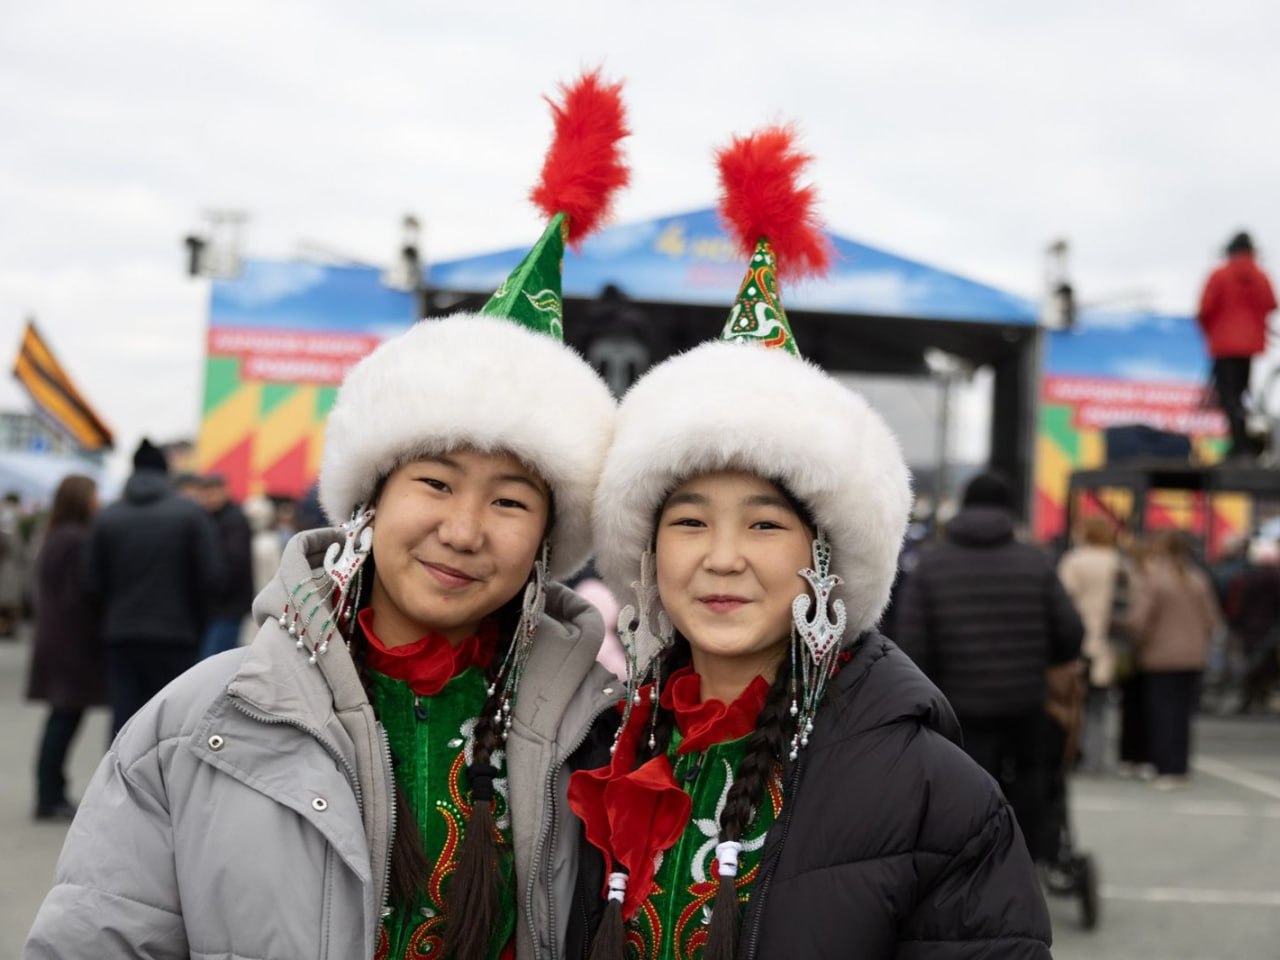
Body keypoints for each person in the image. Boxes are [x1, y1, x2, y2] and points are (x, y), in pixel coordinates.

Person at [26, 69, 628, 960]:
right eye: (435, 483)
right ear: (369, 498)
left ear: (547, 538)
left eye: (509, 501)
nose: (465, 530)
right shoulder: (199, 723)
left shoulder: (602, 742)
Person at [566, 128, 1050, 960]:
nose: (722, 557)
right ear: (648, 553)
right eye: (690, 522)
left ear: (822, 556)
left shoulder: (935, 796)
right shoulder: (594, 751)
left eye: (764, 524)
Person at [896, 470, 1084, 863]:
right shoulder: (1035, 563)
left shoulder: (932, 565)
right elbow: (1070, 632)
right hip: (1025, 700)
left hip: (959, 706)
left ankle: (973, 861)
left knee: (965, 786)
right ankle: (1029, 857)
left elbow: (912, 645)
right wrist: (1046, 657)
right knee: (1032, 775)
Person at [84, 438, 222, 735]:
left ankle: (119, 767)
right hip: (176, 634)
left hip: (122, 633)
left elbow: (92, 582)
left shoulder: (108, 517)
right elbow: (212, 576)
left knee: (124, 720)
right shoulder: (189, 514)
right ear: (165, 471)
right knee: (172, 722)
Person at [24, 475, 104, 820]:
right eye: (94, 496)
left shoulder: (56, 534)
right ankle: (49, 795)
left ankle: (51, 791)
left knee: (62, 716)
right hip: (71, 642)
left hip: (57, 637)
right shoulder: (75, 539)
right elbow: (80, 594)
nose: (98, 502)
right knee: (64, 717)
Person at [1127, 531, 1220, 788]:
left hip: (1160, 655)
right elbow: (1212, 618)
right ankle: (1180, 766)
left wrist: (1139, 643)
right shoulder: (1197, 579)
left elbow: (1138, 620)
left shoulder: (1155, 579)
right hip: (1193, 655)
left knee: (1161, 714)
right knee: (1182, 715)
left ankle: (1164, 767)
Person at [1197, 231, 1278, 461]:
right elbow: (1271, 304)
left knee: (1228, 396)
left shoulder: (1219, 275)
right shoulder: (1261, 277)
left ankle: (1240, 445)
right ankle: (1243, 444)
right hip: (1250, 346)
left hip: (1224, 346)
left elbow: (1204, 310)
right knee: (1241, 394)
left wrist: (1213, 334)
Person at [1057, 515, 1125, 773]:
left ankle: (1075, 752)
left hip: (1081, 639)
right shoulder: (1118, 562)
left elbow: (1063, 599)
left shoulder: (1075, 561)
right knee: (1099, 705)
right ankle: (1097, 758)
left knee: (1075, 703)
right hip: (1109, 640)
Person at [197, 474, 254, 659]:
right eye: (206, 494)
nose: (209, 499)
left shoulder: (234, 519)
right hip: (217, 606)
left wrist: (213, 588)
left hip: (228, 605)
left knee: (215, 657)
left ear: (224, 491)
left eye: (213, 493)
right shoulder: (206, 518)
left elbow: (235, 562)